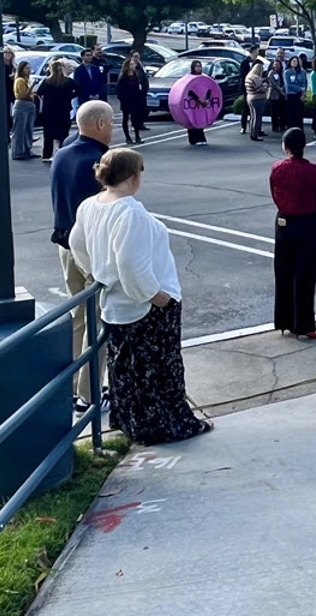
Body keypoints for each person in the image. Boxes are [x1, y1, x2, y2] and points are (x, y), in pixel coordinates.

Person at [70, 147, 211, 443]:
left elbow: (77, 244)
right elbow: (131, 262)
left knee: (124, 366)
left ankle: (129, 420)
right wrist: (153, 295)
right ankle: (165, 425)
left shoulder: (90, 206)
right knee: (158, 368)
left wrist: (95, 272)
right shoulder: (129, 211)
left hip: (114, 302)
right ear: (133, 176)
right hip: (143, 304)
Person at [52, 101, 113, 411]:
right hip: (90, 250)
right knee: (99, 322)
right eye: (111, 123)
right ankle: (89, 395)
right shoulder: (98, 160)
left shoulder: (62, 152)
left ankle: (73, 385)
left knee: (77, 317)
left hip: (64, 243)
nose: (113, 129)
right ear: (100, 124)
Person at [269, 127, 316, 340]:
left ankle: (284, 320)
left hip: (284, 222)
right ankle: (304, 325)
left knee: (284, 270)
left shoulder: (277, 168)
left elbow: (274, 193)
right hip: (308, 223)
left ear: (285, 146)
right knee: (305, 274)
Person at [39, 59, 78, 161]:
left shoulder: (47, 81)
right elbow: (79, 89)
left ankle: (47, 154)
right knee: (63, 132)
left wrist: (46, 98)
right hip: (63, 109)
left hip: (49, 110)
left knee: (48, 134)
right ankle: (62, 152)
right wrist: (70, 96)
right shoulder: (68, 81)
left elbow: (39, 92)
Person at [116, 51, 150, 145]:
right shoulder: (123, 77)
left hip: (136, 100)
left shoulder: (137, 75)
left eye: (133, 64)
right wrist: (123, 99)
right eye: (131, 64)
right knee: (125, 118)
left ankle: (137, 135)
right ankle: (127, 137)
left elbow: (142, 85)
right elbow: (119, 91)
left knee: (136, 118)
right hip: (126, 101)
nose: (133, 65)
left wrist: (142, 95)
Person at [11, 60, 37, 160]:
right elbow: (23, 94)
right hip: (22, 104)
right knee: (19, 130)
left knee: (28, 129)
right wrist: (32, 86)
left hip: (29, 105)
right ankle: (18, 152)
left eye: (30, 68)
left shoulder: (27, 80)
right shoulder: (20, 80)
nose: (29, 70)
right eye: (27, 68)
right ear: (21, 70)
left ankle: (27, 149)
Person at [183, 60, 212, 146]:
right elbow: (189, 91)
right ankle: (193, 139)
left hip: (201, 104)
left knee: (200, 119)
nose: (198, 68)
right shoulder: (189, 78)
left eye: (199, 66)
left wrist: (206, 99)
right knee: (192, 120)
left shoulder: (204, 78)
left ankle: (201, 137)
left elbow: (209, 88)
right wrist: (198, 98)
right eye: (196, 66)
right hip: (192, 103)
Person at [246, 62, 270, 141]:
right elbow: (259, 88)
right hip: (258, 98)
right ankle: (255, 135)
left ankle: (253, 132)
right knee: (257, 117)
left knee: (253, 117)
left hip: (250, 97)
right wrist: (266, 86)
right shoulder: (256, 78)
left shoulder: (248, 76)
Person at [283, 56, 307, 130]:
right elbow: (288, 85)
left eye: (296, 61)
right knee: (291, 113)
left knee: (299, 114)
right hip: (291, 95)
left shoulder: (302, 72)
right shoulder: (287, 72)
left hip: (300, 95)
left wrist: (303, 93)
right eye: (293, 61)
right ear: (290, 62)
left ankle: (299, 129)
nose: (294, 62)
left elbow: (304, 83)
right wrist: (299, 88)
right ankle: (291, 129)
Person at [267, 57, 286, 134]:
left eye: (278, 64)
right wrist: (279, 89)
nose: (276, 66)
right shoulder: (271, 73)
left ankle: (282, 125)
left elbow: (284, 82)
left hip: (282, 95)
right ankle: (275, 126)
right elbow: (272, 83)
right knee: (274, 112)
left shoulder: (282, 73)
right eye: (275, 64)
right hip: (274, 95)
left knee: (282, 110)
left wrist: (283, 89)